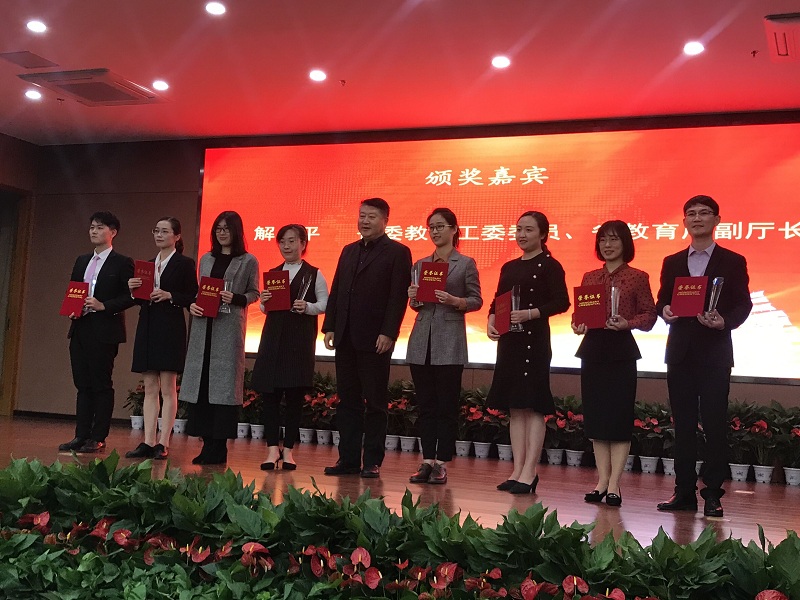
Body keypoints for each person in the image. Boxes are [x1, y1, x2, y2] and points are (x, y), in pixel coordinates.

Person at [655, 195, 752, 518]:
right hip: (680, 353)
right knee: (682, 425)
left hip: (714, 353)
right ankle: (683, 492)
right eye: (691, 214)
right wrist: (665, 311)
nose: (697, 218)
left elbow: (743, 303)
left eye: (704, 213)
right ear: (684, 222)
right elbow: (662, 301)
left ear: (717, 220)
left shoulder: (732, 260)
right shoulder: (672, 261)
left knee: (714, 423)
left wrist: (725, 321)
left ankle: (712, 493)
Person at [322, 198, 412, 479]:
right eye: (362, 215)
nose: (365, 221)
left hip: (376, 339)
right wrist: (330, 326)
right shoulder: (348, 250)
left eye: (371, 216)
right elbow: (337, 290)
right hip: (345, 336)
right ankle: (347, 459)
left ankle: (372, 460)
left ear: (385, 220)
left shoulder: (398, 252)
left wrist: (389, 332)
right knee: (347, 401)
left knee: (375, 402)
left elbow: (398, 296)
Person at [571, 220, 657, 507]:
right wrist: (578, 324)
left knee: (618, 419)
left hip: (621, 350)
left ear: (625, 243)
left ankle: (614, 485)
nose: (607, 245)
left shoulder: (637, 277)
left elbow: (649, 315)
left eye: (614, 240)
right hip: (593, 349)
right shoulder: (590, 276)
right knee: (596, 418)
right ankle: (601, 481)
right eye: (603, 240)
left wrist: (627, 323)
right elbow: (579, 314)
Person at [487, 211, 570, 494]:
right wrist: (491, 322)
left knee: (533, 406)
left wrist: (531, 313)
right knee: (515, 406)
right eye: (519, 229)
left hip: (534, 341)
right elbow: (497, 301)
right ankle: (517, 470)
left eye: (529, 230)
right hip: (510, 341)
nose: (522, 235)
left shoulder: (550, 265)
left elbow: (561, 302)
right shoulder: (509, 266)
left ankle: (530, 471)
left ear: (543, 234)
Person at [406, 208, 482, 485]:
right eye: (431, 227)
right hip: (421, 340)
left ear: (454, 229)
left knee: (447, 406)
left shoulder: (465, 263)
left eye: (440, 226)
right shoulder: (420, 264)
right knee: (426, 405)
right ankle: (427, 460)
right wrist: (413, 297)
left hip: (450, 340)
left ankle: (442, 463)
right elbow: (416, 305)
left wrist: (454, 300)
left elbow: (476, 300)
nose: (435, 231)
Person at [179, 211, 260, 465]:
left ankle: (219, 447)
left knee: (222, 391)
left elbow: (254, 293)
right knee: (202, 387)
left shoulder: (248, 260)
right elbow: (199, 291)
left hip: (228, 330)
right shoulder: (206, 258)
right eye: (218, 229)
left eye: (226, 228)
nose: (222, 233)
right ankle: (206, 445)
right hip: (203, 328)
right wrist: (192, 304)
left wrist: (236, 298)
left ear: (236, 231)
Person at [251, 224, 329, 471]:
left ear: (303, 244)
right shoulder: (274, 273)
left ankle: (289, 451)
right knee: (270, 397)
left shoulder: (314, 274)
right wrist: (264, 302)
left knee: (294, 398)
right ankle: (271, 449)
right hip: (273, 340)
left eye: (292, 241)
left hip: (299, 342)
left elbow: (326, 303)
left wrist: (308, 307)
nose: (286, 246)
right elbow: (266, 308)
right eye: (282, 242)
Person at [59, 211, 135, 453]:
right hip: (80, 327)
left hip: (105, 330)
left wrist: (104, 305)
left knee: (101, 384)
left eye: (100, 227)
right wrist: (72, 309)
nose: (94, 231)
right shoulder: (82, 260)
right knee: (82, 384)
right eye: (92, 227)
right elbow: (74, 289)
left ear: (113, 232)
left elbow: (131, 296)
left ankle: (98, 436)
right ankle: (80, 435)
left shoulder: (122, 262)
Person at [125, 217, 198, 460]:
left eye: (165, 231)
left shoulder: (184, 264)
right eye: (156, 231)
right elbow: (139, 298)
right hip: (148, 325)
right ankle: (148, 441)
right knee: (149, 387)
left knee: (168, 387)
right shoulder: (147, 264)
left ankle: (163, 442)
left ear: (177, 236)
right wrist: (133, 289)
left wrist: (170, 295)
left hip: (170, 326)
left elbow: (191, 296)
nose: (159, 235)